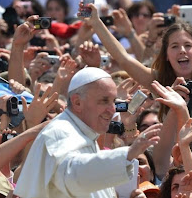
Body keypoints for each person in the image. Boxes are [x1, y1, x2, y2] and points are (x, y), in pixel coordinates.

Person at [14, 67, 161, 198]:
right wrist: (128, 153)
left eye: (113, 101)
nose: (112, 109)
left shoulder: (85, 134)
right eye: (104, 101)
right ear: (77, 102)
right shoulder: (60, 132)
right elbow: (72, 173)